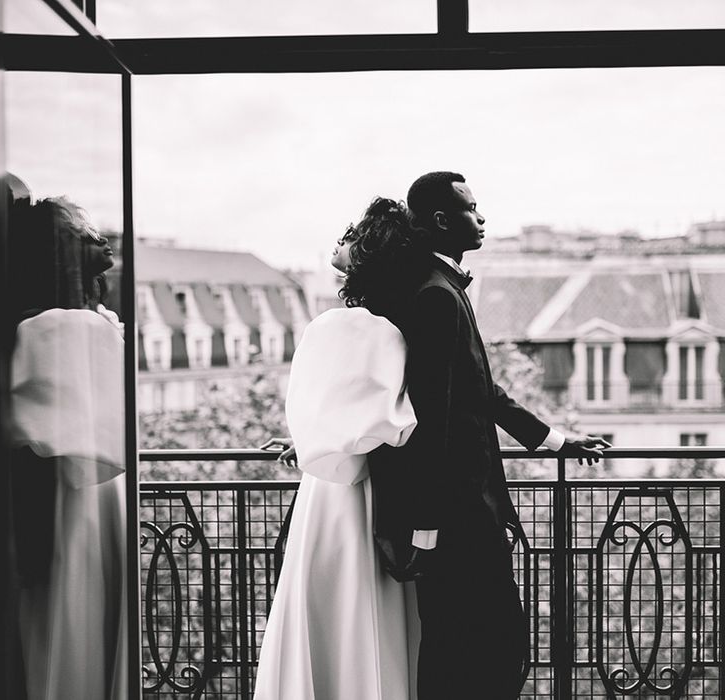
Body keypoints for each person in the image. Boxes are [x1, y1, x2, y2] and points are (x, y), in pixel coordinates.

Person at [367, 171, 611, 699]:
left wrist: (552, 439)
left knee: (469, 643)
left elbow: (480, 391)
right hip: (457, 518)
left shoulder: (441, 288)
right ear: (441, 220)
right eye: (472, 208)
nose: (482, 218)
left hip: (465, 514)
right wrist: (427, 530)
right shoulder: (436, 295)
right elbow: (434, 419)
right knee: (483, 645)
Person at [253, 197, 430, 700]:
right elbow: (386, 420)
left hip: (329, 490)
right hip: (376, 484)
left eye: (352, 232)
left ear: (366, 252)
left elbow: (322, 410)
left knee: (324, 596)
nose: (341, 238)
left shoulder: (333, 326)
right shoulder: (394, 330)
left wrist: (314, 440)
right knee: (367, 605)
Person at [7, 195, 127, 700]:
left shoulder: (39, 324)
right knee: (78, 615)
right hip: (79, 494)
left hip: (72, 487)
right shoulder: (73, 327)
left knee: (63, 620)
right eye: (82, 230)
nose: (99, 240)